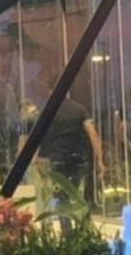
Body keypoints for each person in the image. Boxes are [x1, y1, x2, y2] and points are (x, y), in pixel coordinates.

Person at [33, 75, 103, 206]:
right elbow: (93, 134)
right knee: (78, 196)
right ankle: (80, 217)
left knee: (61, 196)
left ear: (50, 90)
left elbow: (39, 137)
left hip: (57, 159)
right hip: (79, 158)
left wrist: (37, 158)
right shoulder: (79, 109)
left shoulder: (47, 112)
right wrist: (100, 160)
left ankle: (65, 218)